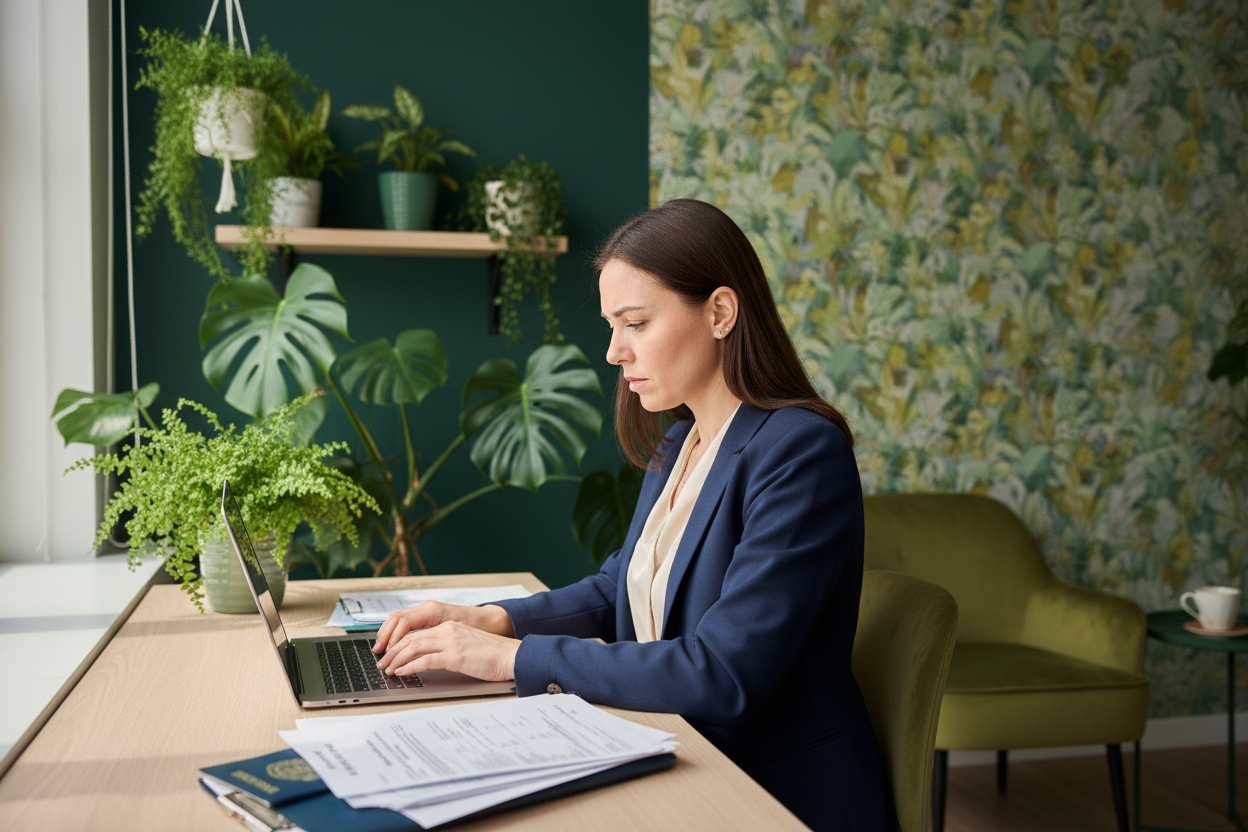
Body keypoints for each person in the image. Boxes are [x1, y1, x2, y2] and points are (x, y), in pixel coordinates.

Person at [371, 199, 892, 831]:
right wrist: (490, 620)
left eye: (635, 323)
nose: (615, 351)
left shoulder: (801, 451)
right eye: (611, 326)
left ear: (721, 312)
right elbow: (622, 587)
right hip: (676, 750)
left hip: (771, 791)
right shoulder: (683, 442)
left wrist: (508, 659)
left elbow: (723, 673)